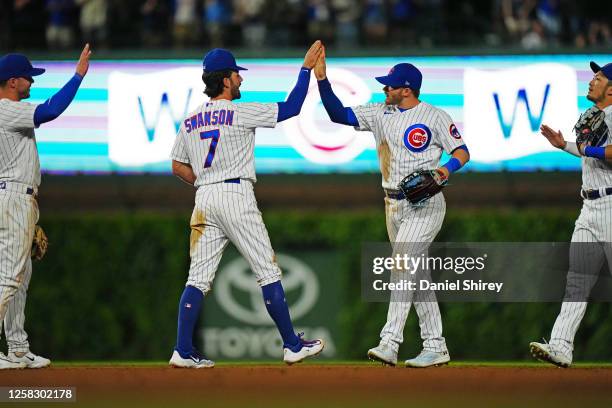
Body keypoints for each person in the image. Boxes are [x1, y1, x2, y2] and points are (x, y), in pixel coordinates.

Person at [169, 42, 325, 368]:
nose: (240, 80)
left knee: (197, 279)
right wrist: (305, 69)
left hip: (204, 198)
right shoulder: (240, 110)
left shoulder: (190, 119)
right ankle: (292, 345)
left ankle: (182, 351)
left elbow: (177, 165)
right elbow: (292, 107)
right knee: (267, 270)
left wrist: (202, 180)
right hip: (235, 194)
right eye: (237, 75)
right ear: (225, 79)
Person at [313, 47, 470, 367]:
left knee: (402, 267)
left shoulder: (435, 116)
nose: (385, 89)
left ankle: (390, 342)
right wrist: (323, 80)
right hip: (392, 205)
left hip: (425, 204)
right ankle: (435, 345)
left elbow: (462, 151)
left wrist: (445, 169)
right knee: (417, 276)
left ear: (407, 89)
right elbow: (337, 114)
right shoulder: (378, 113)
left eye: (390, 86)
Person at [0, 44, 92, 369]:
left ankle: (17, 349)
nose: (32, 82)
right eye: (28, 77)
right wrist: (78, 76)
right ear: (12, 81)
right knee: (10, 276)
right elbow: (50, 110)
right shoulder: (6, 109)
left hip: (11, 195)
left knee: (20, 275)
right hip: (13, 197)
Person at [531, 61, 612, 368]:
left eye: (600, 77)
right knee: (577, 281)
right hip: (589, 207)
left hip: (610, 205)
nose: (593, 80)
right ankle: (561, 346)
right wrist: (563, 145)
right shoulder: (594, 115)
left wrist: (586, 148)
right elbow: (587, 149)